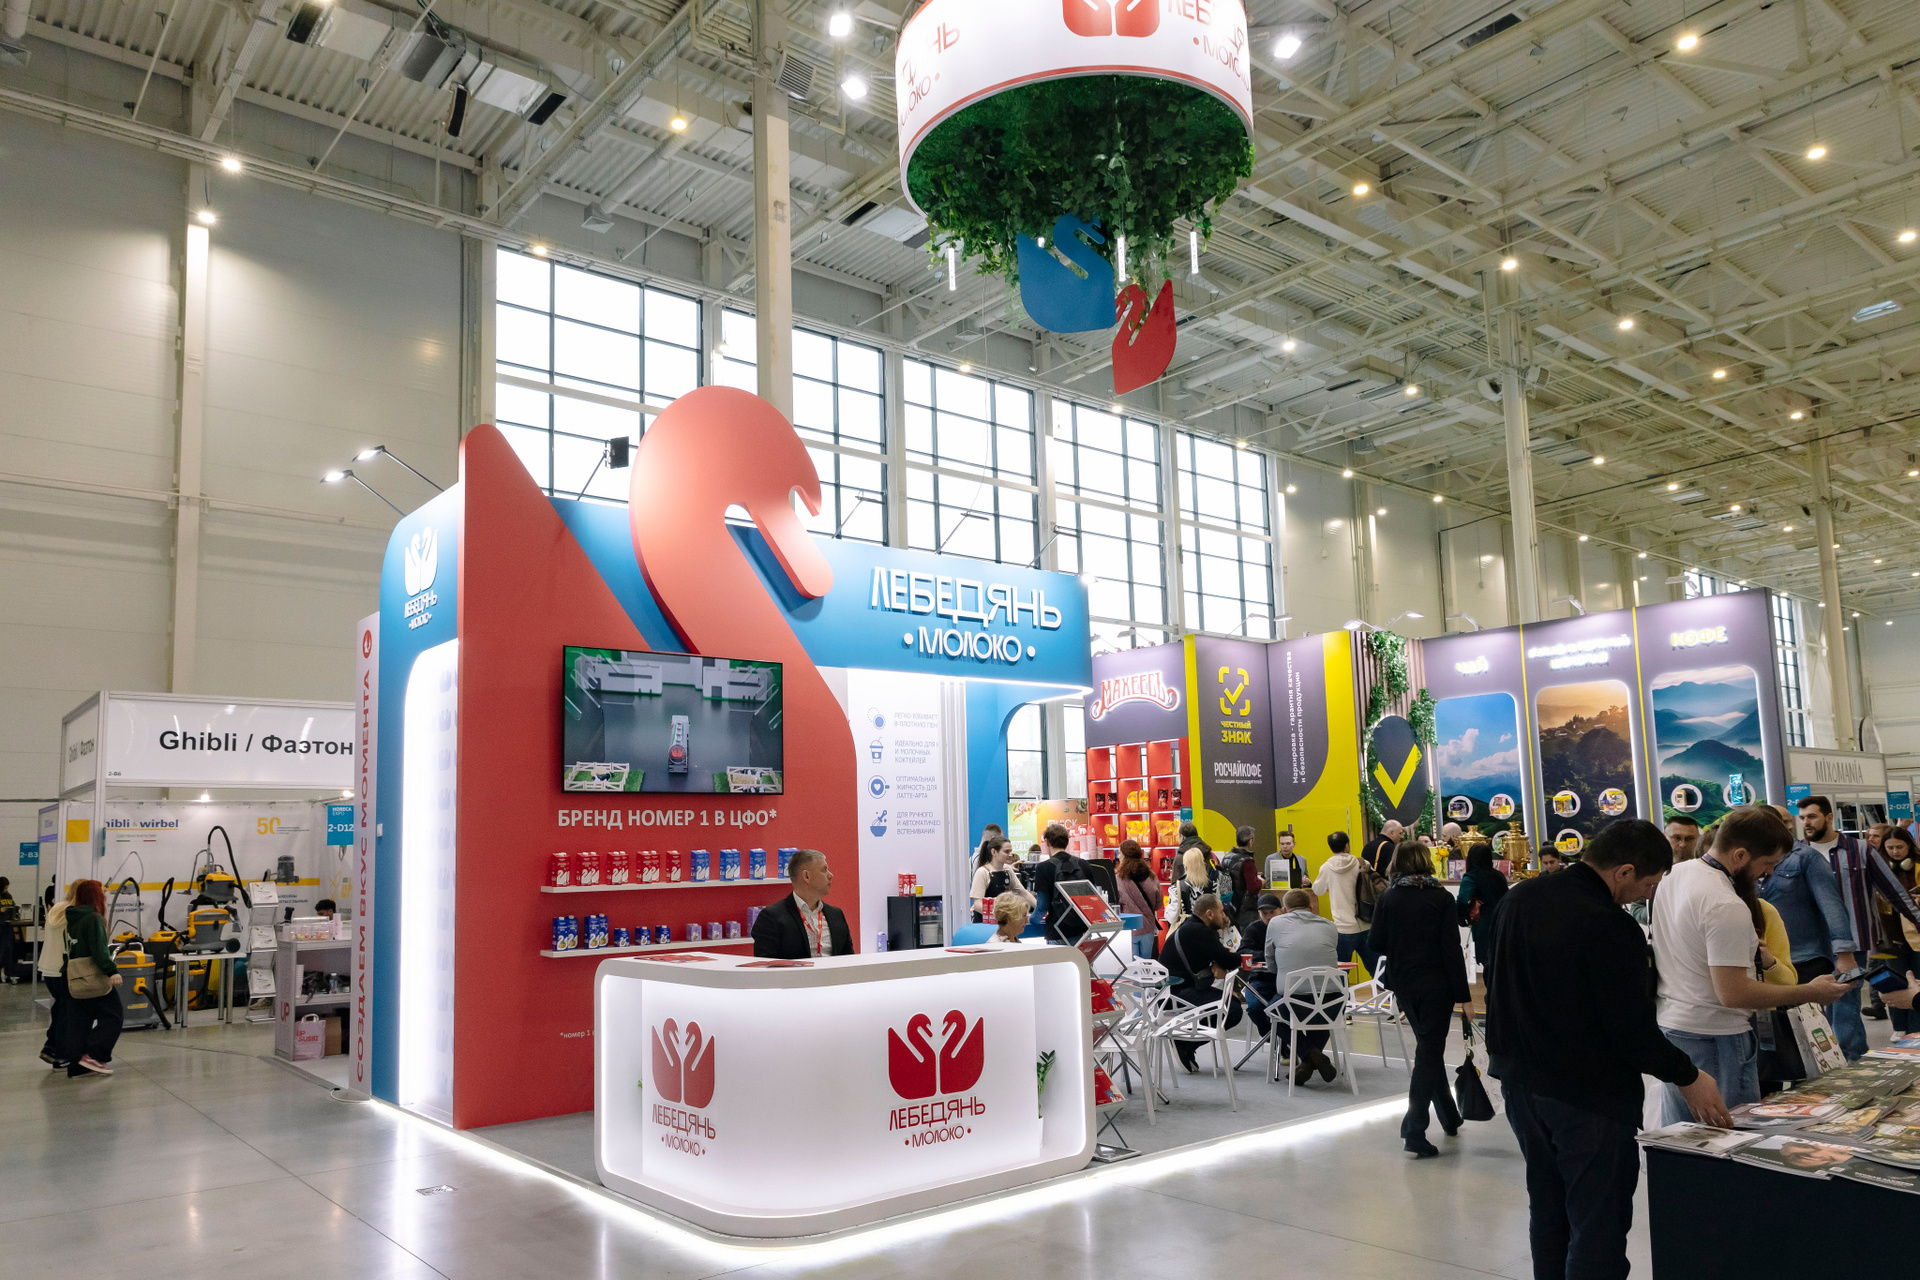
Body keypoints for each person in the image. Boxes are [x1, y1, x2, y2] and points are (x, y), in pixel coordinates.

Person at [1486, 818, 1731, 1280]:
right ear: (1624, 871)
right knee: (1597, 1225)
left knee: (1549, 1210)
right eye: (1648, 884)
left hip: (1520, 1085)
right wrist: (1688, 1075)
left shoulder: (1520, 898)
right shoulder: (1610, 926)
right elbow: (1630, 1031)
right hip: (1587, 1098)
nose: (1647, 894)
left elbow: (1497, 984)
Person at [1652, 806, 1851, 1123]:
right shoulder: (1725, 903)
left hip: (1675, 1031)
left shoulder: (1675, 876)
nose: (1768, 872)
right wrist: (1810, 992)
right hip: (1717, 1037)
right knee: (1729, 1141)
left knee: (1682, 1137)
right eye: (1767, 863)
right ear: (1740, 855)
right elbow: (1734, 994)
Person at [1368, 840, 1470, 1157]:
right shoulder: (1441, 898)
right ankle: (1414, 1129)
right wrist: (1464, 997)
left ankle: (1449, 1117)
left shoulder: (1388, 897)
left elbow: (1375, 943)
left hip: (1403, 983)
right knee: (1429, 1050)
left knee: (1428, 1048)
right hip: (1437, 984)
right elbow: (1451, 950)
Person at [1802, 794, 1920, 1055]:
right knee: (1819, 1004)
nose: (1806, 822)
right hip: (1813, 945)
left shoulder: (1860, 850)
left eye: (1811, 816)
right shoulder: (1799, 853)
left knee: (1845, 1000)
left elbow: (1895, 892)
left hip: (1853, 941)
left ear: (1829, 817)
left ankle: (1850, 1057)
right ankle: (1841, 1057)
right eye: (1802, 818)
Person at [1757, 802, 1853, 1022]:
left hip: (1806, 957)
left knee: (1809, 1028)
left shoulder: (1806, 857)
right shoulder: (1749, 860)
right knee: (1776, 1028)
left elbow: (1832, 905)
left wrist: (1845, 954)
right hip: (1766, 960)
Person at [1267, 888, 1341, 1086]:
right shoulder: (1330, 926)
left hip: (1293, 1002)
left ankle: (1311, 1057)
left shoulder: (1276, 923)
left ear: (1284, 910)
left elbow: (1271, 962)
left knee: (1272, 1012)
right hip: (1333, 1003)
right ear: (1311, 908)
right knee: (1322, 1015)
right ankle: (1311, 1060)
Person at [1161, 893, 1242, 1072]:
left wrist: (1218, 962)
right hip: (1177, 995)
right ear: (1209, 914)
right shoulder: (1200, 932)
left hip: (1169, 993)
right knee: (1233, 1010)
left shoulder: (1190, 926)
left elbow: (1216, 955)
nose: (1224, 916)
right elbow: (1231, 960)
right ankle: (1185, 1043)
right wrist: (1227, 957)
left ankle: (1186, 1043)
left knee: (1231, 1003)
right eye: (1221, 911)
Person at [58, 879, 122, 1077]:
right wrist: (112, 971)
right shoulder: (93, 918)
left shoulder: (71, 918)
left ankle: (77, 1065)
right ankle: (95, 1055)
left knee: (79, 1021)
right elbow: (99, 950)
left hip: (72, 977)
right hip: (93, 977)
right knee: (114, 1015)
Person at [750, 849, 852, 959]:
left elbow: (849, 960)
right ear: (806, 876)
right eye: (824, 870)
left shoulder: (837, 915)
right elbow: (767, 965)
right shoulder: (771, 917)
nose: (831, 875)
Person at [1314, 832, 1379, 975]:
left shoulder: (1326, 868)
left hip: (1343, 928)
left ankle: (1343, 991)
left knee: (1340, 973)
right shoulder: (1362, 863)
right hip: (1366, 923)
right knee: (1377, 970)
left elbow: (1318, 890)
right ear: (1347, 845)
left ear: (1330, 847)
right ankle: (1387, 989)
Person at [1029, 823, 1096, 944]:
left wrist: (1032, 919)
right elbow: (1093, 898)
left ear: (1047, 842)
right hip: (1082, 930)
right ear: (1067, 842)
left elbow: (1042, 906)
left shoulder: (1043, 867)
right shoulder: (1083, 864)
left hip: (1057, 931)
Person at [1457, 843, 1509, 986]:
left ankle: (1491, 995)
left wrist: (1463, 919)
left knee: (1487, 961)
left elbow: (1462, 900)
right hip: (1502, 920)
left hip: (1484, 922)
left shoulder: (1471, 877)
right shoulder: (1499, 875)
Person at [1885, 827, 1920, 1034]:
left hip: (1915, 934)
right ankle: (1899, 1027)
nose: (1895, 852)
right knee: (1894, 980)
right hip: (1890, 935)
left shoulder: (1917, 867)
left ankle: (1916, 1028)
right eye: (1890, 848)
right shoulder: (1881, 869)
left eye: (1899, 847)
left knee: (1916, 980)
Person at [37, 883, 77, 1068]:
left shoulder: (57, 908)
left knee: (60, 1008)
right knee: (66, 1012)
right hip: (63, 969)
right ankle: (59, 1053)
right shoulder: (74, 913)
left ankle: (51, 1048)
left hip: (48, 967)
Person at [1237, 891, 1283, 1040]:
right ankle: (1273, 1040)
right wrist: (1267, 954)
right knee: (1254, 1008)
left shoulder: (1287, 928)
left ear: (1281, 911)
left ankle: (1284, 1041)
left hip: (1284, 979)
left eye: (1272, 912)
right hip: (1260, 979)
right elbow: (1242, 952)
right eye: (1264, 913)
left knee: (1284, 1009)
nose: (1268, 917)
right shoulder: (1253, 929)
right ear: (1259, 914)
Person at [1112, 839, 1163, 952]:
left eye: (1120, 853)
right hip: (1148, 927)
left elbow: (1115, 905)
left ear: (1125, 856)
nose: (1118, 856)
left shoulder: (1118, 878)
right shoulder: (1152, 876)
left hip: (1129, 928)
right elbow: (1158, 904)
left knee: (1131, 962)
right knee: (1146, 962)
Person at [969, 837, 1033, 923]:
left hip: (1002, 924)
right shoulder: (982, 872)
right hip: (984, 925)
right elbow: (977, 904)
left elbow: (1023, 892)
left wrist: (1040, 909)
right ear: (994, 852)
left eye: (1010, 851)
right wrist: (1001, 917)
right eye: (1006, 852)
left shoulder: (1007, 870)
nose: (1010, 854)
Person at [1217, 826, 1265, 931]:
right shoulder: (1248, 861)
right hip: (1245, 909)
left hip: (1230, 906)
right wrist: (1260, 881)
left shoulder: (1226, 857)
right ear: (1250, 841)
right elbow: (1252, 888)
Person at [1175, 844, 1216, 922]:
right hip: (1207, 925)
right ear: (1203, 863)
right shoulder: (1212, 885)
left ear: (1185, 865)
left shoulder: (1178, 886)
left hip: (1187, 925)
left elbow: (1172, 915)